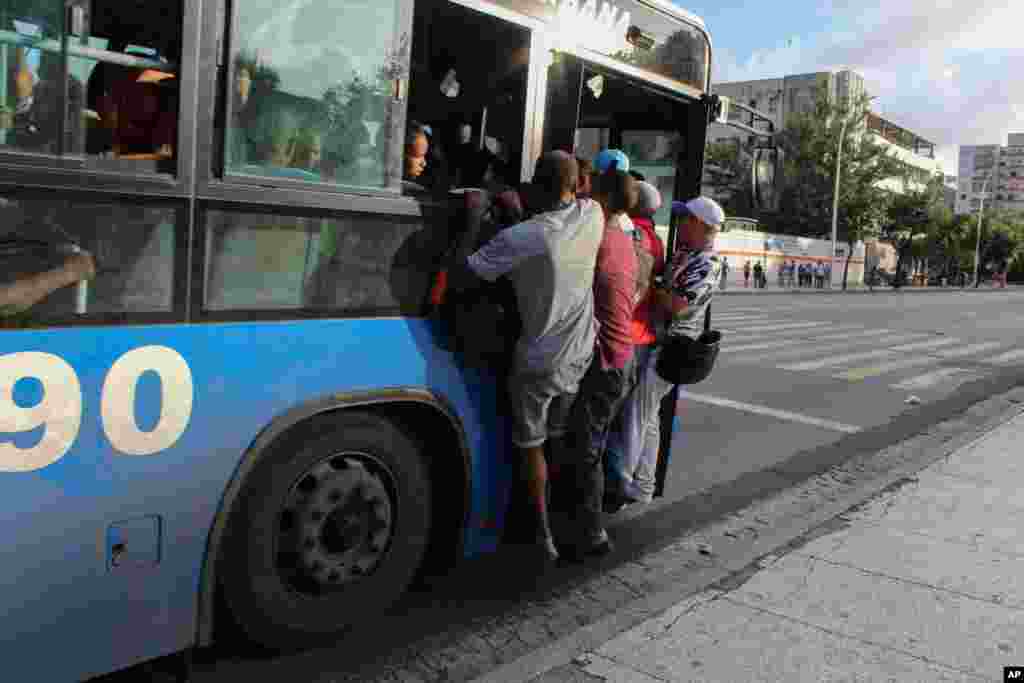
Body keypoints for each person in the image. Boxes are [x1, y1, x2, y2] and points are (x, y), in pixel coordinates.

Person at [447, 151, 604, 563]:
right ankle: (567, 521)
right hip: (579, 354)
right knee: (557, 436)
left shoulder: (523, 237)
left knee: (530, 446)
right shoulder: (593, 216)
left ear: (535, 186)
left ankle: (541, 536)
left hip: (538, 364)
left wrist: (473, 218)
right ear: (577, 185)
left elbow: (463, 274)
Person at [605, 196, 723, 507]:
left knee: (636, 414)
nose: (680, 224)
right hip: (662, 343)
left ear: (701, 225)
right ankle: (644, 486)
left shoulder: (707, 263)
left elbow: (677, 306)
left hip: (673, 348)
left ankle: (619, 485)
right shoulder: (687, 254)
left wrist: (648, 285)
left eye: (686, 219)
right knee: (649, 417)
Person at [562, 161, 638, 561]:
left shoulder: (597, 239)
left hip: (606, 361)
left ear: (603, 197)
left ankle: (591, 533)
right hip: (622, 356)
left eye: (591, 190)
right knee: (591, 442)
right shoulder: (624, 240)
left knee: (585, 448)